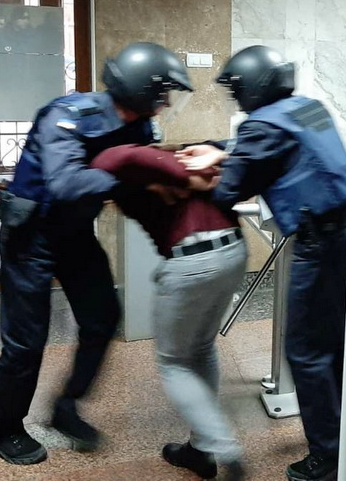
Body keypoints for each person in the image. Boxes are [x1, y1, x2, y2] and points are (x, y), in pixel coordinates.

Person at [0, 43, 193, 465]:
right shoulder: (67, 115)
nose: (166, 103)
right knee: (26, 342)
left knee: (102, 317)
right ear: (140, 89)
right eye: (162, 93)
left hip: (74, 234)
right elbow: (65, 183)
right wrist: (135, 180)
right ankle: (1, 430)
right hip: (30, 237)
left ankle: (66, 405)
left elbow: (139, 185)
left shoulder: (140, 129)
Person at [177, 45, 346, 481]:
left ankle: (328, 458)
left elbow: (229, 190)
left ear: (252, 88)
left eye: (237, 90)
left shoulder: (262, 126)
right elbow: (263, 147)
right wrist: (214, 147)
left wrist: (182, 175)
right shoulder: (304, 108)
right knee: (334, 339)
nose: (236, 99)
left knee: (304, 348)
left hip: (321, 240)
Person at [90, 144, 247, 480]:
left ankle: (224, 448)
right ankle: (200, 449)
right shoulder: (129, 166)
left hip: (192, 262)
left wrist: (183, 170)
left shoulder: (130, 162)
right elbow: (119, 159)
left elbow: (119, 158)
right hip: (231, 250)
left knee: (173, 362)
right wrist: (188, 172)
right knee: (201, 348)